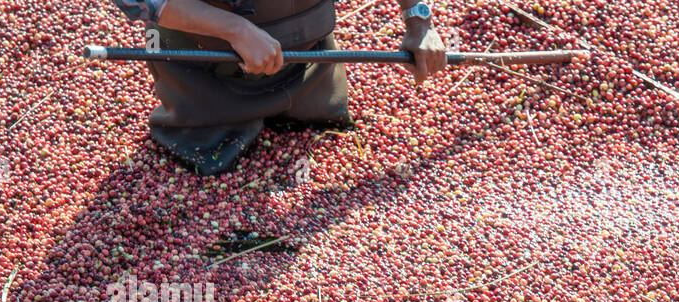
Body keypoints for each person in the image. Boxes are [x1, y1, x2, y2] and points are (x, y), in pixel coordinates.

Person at [113, 0, 448, 175]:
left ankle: (305, 102)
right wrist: (237, 31)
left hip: (311, 60)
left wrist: (419, 20)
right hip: (204, 68)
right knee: (205, 147)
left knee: (320, 120)